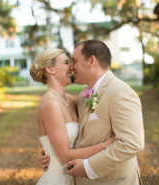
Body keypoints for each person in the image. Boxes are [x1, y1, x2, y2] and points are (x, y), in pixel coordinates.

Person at [38, 40, 145, 185]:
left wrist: (89, 167)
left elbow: (132, 144)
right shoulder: (82, 97)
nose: (72, 67)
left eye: (74, 61)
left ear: (92, 60)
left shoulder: (120, 92)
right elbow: (72, 135)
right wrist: (50, 152)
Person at [30, 48, 115, 185]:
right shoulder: (49, 102)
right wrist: (107, 145)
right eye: (65, 62)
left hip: (76, 178)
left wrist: (46, 151)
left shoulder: (73, 100)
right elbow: (65, 156)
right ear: (50, 69)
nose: (71, 67)